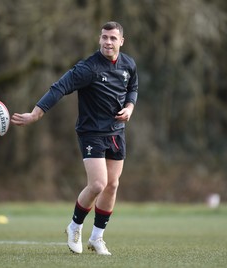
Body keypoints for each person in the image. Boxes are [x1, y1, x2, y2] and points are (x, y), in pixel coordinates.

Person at [11, 21, 138, 255]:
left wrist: (129, 107)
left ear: (121, 41)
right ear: (99, 39)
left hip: (116, 132)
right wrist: (36, 113)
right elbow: (60, 87)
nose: (107, 42)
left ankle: (97, 238)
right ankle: (74, 226)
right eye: (104, 37)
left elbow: (133, 88)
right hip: (91, 132)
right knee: (98, 184)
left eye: (112, 38)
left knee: (112, 185)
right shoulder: (88, 68)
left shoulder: (128, 64)